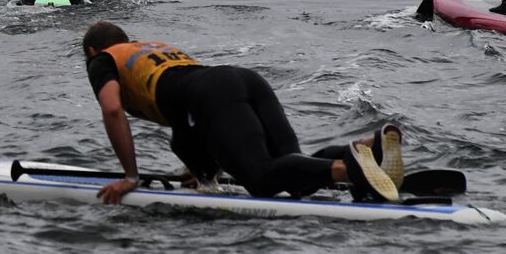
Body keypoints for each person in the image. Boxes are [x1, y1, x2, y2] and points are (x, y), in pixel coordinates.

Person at [81, 21, 403, 205]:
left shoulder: (102, 60)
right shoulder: (148, 48)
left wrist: (131, 178)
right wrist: (206, 173)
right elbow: (193, 124)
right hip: (243, 79)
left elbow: (111, 110)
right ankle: (365, 147)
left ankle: (348, 169)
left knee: (261, 181)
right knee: (294, 179)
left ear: (92, 51)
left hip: (213, 92)